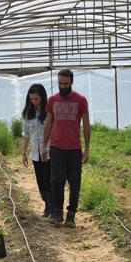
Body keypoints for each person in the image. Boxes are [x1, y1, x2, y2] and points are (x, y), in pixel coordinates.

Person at [41, 69, 90, 227]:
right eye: (60, 83)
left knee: (75, 182)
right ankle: (57, 212)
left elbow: (87, 125)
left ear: (71, 82)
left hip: (74, 148)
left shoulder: (80, 100)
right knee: (56, 181)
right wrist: (44, 145)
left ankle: (71, 214)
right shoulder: (52, 100)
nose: (63, 86)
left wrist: (87, 148)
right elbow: (48, 123)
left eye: (66, 84)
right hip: (56, 147)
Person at [21, 83, 53, 218]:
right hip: (35, 154)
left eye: (36, 99)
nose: (34, 102)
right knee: (41, 181)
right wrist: (23, 153)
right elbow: (26, 135)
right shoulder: (28, 114)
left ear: (42, 98)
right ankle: (47, 204)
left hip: (49, 152)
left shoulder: (49, 112)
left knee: (49, 180)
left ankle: (52, 208)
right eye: (31, 99)